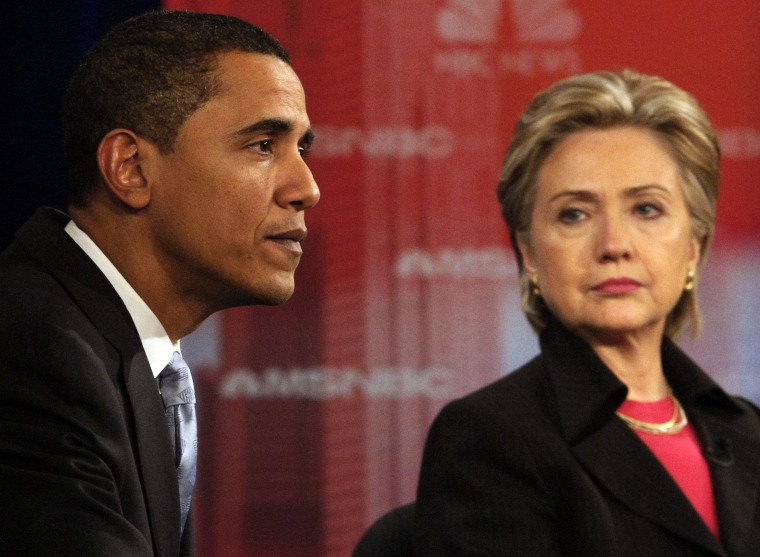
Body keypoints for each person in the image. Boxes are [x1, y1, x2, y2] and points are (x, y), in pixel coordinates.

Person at [0, 10, 319, 557]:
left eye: (301, 149)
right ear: (131, 169)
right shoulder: (33, 348)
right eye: (263, 145)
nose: (306, 188)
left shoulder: (112, 345)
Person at [414, 69, 760, 556]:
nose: (614, 245)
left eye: (646, 209)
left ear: (693, 246)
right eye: (574, 214)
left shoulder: (748, 433)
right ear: (529, 252)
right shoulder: (489, 439)